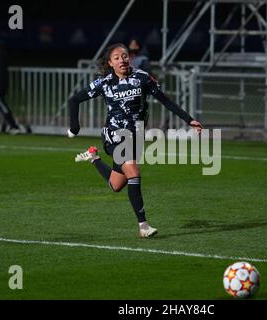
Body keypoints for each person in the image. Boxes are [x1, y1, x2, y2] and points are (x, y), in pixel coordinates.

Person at [68, 43, 203, 238]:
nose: (122, 60)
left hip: (136, 137)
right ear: (110, 63)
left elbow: (166, 100)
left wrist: (189, 119)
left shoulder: (142, 78)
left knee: (116, 185)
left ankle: (93, 158)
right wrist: (74, 128)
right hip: (114, 135)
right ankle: (144, 226)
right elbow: (74, 100)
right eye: (116, 57)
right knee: (133, 170)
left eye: (124, 56)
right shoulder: (104, 83)